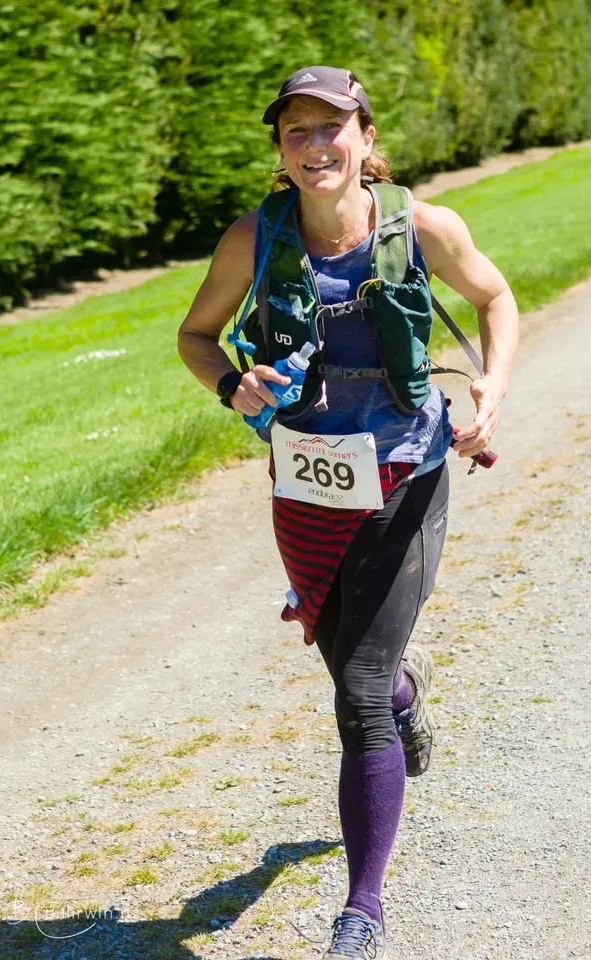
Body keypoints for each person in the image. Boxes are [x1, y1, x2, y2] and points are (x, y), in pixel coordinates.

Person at [178, 65, 518, 959]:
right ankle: (410, 698)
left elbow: (495, 299)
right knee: (360, 672)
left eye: (334, 127)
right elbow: (195, 335)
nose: (317, 145)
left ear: (366, 140)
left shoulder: (423, 227)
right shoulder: (255, 238)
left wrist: (492, 387)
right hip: (307, 482)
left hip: (408, 471)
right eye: (297, 132)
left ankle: (361, 912)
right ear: (281, 153)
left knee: (356, 693)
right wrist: (231, 385)